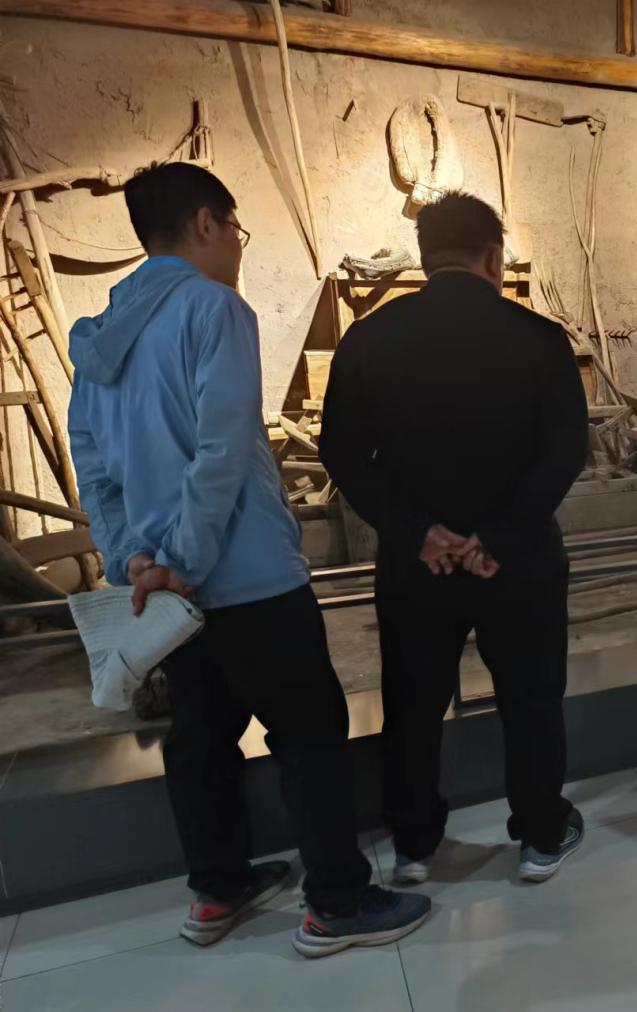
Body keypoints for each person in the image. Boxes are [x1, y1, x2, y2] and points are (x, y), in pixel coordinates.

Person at [67, 163, 429, 958]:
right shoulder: (214, 309)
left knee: (199, 737)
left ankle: (217, 889)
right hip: (247, 579)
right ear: (206, 223)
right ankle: (335, 903)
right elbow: (223, 445)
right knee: (308, 733)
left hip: (165, 596)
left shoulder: (97, 336)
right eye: (236, 227)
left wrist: (135, 559)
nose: (237, 243)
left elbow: (92, 466)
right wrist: (186, 558)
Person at [320, 191, 590, 886]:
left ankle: (413, 843)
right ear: (494, 258)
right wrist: (496, 536)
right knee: (531, 699)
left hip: (419, 566)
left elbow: (342, 453)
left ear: (424, 257)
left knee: (413, 704)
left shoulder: (369, 339)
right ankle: (539, 834)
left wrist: (417, 533)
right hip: (518, 562)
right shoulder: (539, 338)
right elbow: (565, 451)